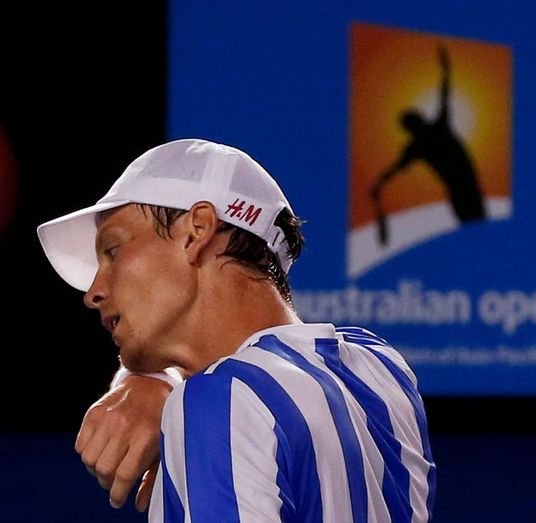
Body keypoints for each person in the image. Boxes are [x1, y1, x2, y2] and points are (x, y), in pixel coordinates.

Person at [37, 138, 436, 522]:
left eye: (113, 250)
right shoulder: (382, 369)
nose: (94, 292)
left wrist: (185, 399)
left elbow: (238, 391)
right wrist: (154, 380)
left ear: (197, 230)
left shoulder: (218, 402)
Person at [371, 46, 486, 245]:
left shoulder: (428, 136)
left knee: (478, 231)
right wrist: (379, 185)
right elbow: (394, 170)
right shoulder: (421, 143)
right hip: (461, 190)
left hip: (467, 187)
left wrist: (446, 69)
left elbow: (445, 94)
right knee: (474, 234)